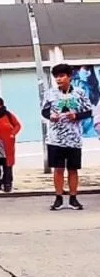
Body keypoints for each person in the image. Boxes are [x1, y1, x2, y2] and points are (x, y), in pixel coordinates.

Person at [44, 63, 92, 210]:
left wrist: (76, 115)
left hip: (74, 139)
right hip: (55, 138)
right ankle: (58, 198)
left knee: (73, 169)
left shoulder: (79, 92)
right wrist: (51, 116)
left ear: (69, 77)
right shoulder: (50, 93)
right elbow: (44, 111)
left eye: (62, 76)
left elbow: (88, 111)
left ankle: (73, 198)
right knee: (58, 169)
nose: (59, 79)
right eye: (56, 77)